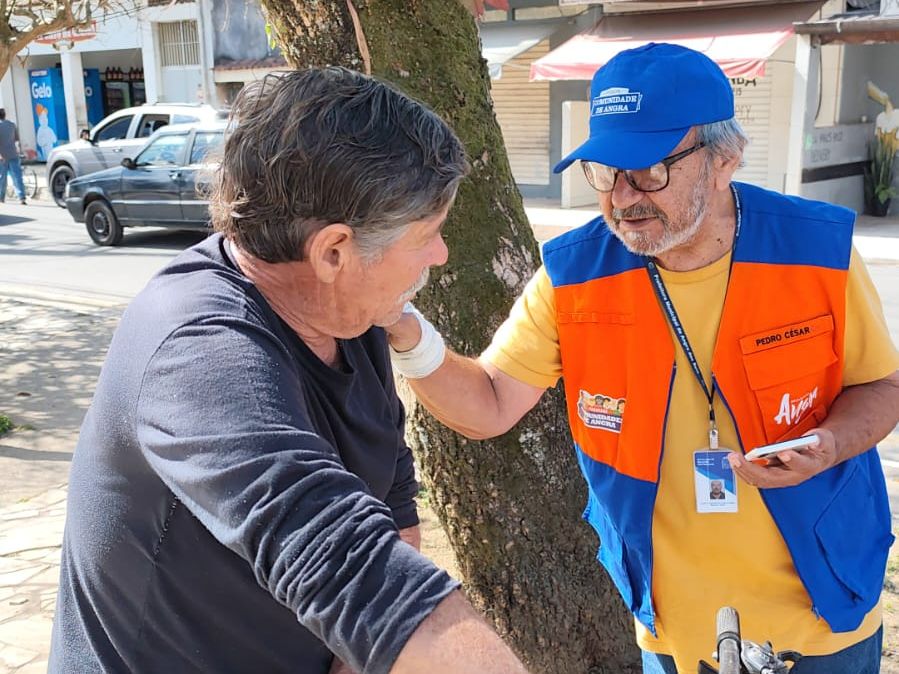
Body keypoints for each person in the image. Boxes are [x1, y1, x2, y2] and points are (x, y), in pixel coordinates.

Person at [386, 43, 899, 673]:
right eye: (605, 171)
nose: (624, 197)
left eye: (650, 170)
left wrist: (833, 442)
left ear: (724, 160)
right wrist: (406, 332)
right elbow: (488, 403)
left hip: (825, 615)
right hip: (672, 632)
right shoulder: (575, 275)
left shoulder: (817, 251)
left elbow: (883, 387)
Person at [48, 68, 529, 674]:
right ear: (333, 251)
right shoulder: (197, 351)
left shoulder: (349, 316)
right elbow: (334, 553)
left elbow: (390, 503)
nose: (441, 254)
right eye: (427, 235)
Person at [0, 108, 26, 205]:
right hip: (13, 154)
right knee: (17, 176)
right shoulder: (12, 125)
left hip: (2, 156)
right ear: (5, 115)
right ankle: (21, 197)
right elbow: (16, 139)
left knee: (2, 178)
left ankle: (1, 197)